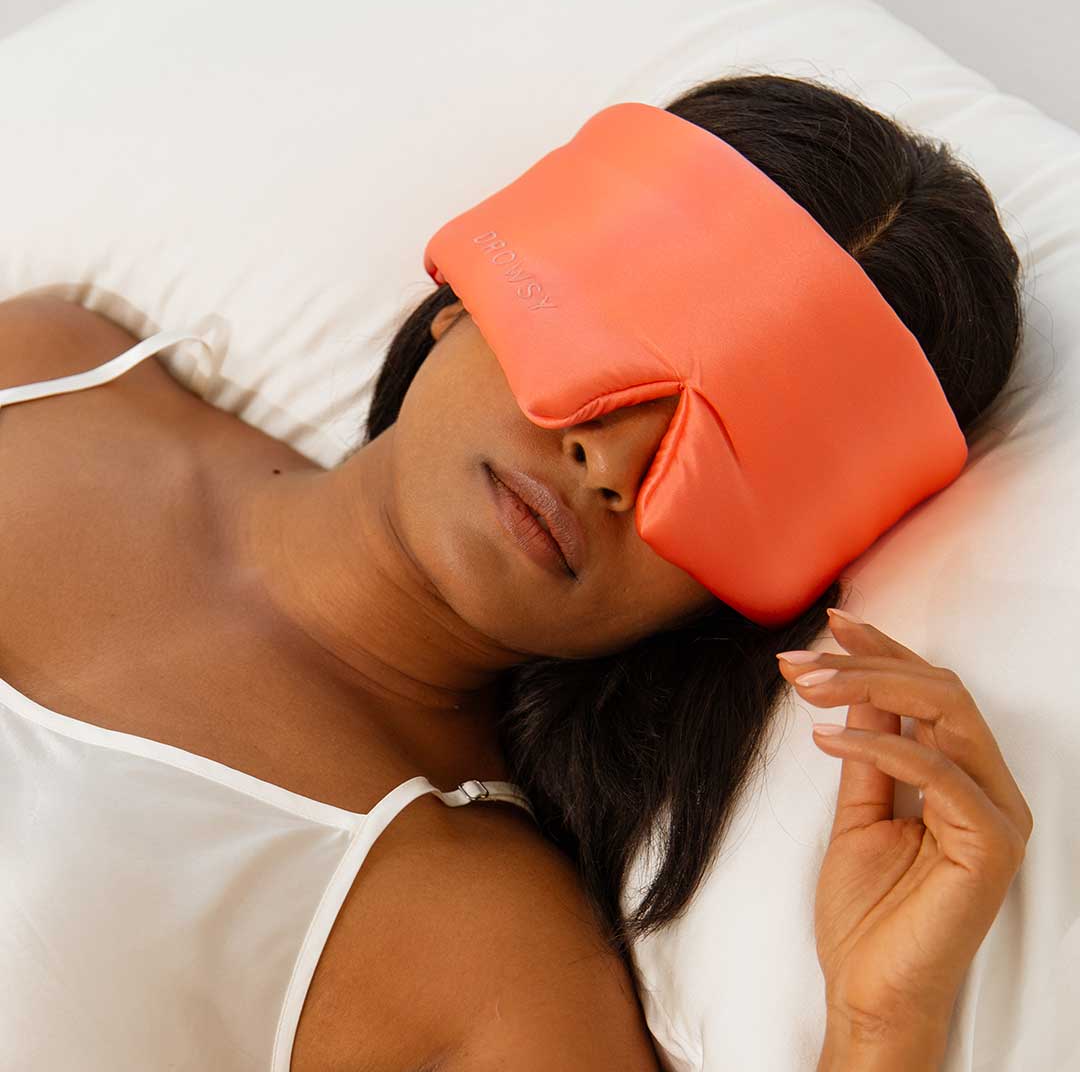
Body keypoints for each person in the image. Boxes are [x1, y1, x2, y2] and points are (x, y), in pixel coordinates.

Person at [0, 72, 1031, 1070]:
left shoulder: (487, 962)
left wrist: (879, 1030)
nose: (614, 459)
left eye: (742, 456)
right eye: (626, 330)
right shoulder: (47, 367)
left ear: (742, 591)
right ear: (473, 286)